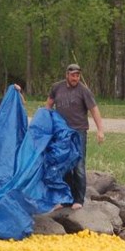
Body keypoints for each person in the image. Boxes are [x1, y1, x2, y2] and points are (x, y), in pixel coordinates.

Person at [45, 63, 105, 209]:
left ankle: (79, 200)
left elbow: (94, 110)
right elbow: (48, 107)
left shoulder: (84, 91)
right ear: (67, 75)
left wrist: (100, 130)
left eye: (77, 75)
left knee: (78, 166)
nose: (75, 78)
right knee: (64, 166)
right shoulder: (56, 88)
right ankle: (66, 199)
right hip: (61, 133)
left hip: (78, 132)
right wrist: (45, 125)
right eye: (73, 75)